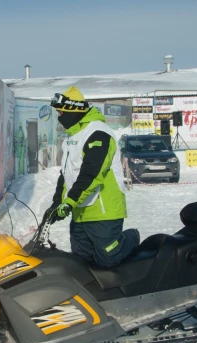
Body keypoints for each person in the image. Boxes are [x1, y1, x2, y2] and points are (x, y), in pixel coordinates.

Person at [45, 86, 139, 268]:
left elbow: (91, 173)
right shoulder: (71, 138)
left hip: (104, 212)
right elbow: (65, 175)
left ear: (73, 110)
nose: (59, 117)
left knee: (107, 258)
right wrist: (57, 202)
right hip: (80, 213)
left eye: (61, 112)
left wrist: (69, 202)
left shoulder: (99, 133)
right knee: (82, 264)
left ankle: (131, 237)